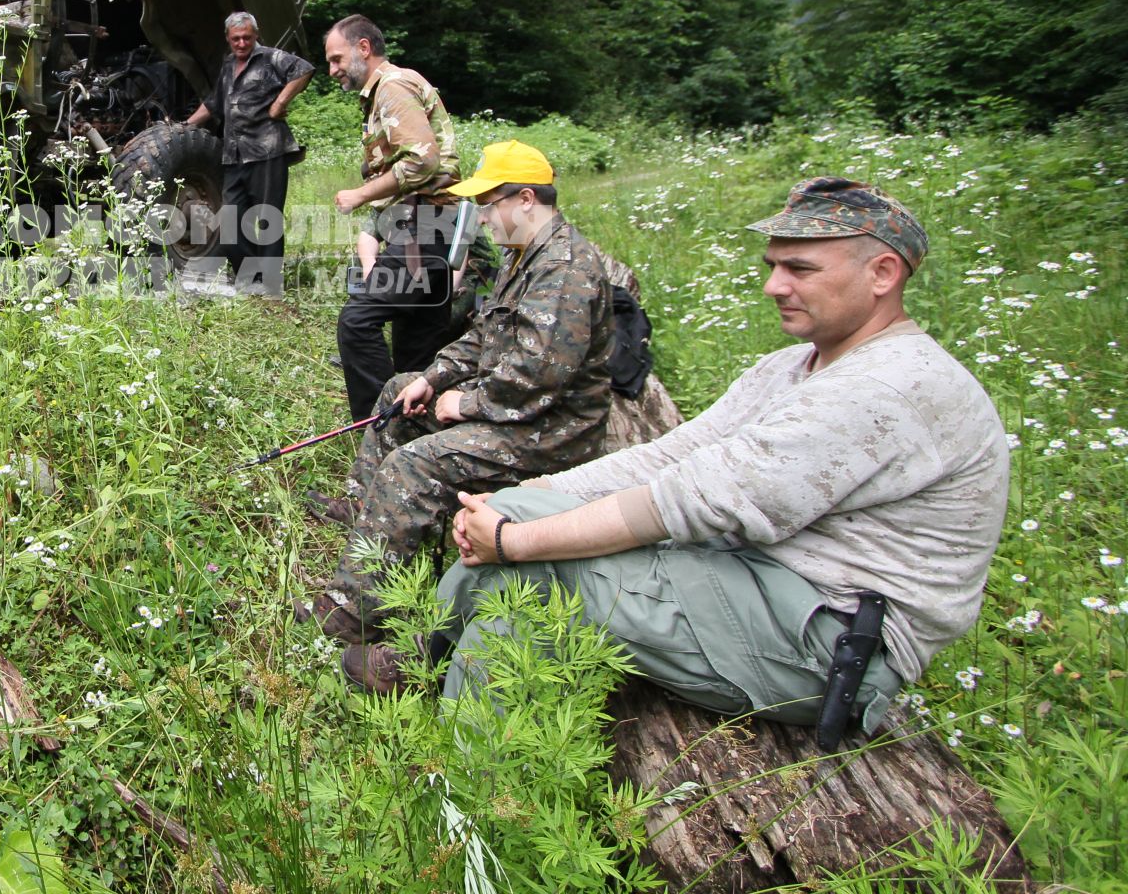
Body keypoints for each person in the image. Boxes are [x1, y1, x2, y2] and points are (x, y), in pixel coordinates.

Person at [345, 178, 1008, 748]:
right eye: (773, 264)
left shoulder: (887, 385)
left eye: (800, 268)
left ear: (883, 274)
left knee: (530, 574)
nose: (775, 285)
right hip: (764, 579)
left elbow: (695, 499)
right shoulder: (797, 364)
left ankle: (468, 787)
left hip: (828, 637)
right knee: (516, 521)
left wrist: (514, 538)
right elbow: (677, 452)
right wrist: (533, 496)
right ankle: (427, 666)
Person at [300, 141, 615, 644]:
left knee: (414, 464)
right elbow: (483, 337)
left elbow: (538, 379)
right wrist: (434, 378)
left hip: (550, 431)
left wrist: (464, 403)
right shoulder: (525, 255)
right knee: (399, 389)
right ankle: (367, 510)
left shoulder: (565, 271)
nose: (483, 219)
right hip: (514, 408)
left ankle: (353, 612)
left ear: (526, 199)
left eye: (489, 205)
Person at [323, 15, 462, 420]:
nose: (332, 70)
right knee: (415, 346)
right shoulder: (387, 90)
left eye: (336, 59)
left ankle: (378, 423)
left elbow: (423, 159)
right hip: (432, 226)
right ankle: (413, 438)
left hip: (426, 225)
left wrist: (361, 194)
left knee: (357, 321)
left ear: (363, 48)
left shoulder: (393, 86)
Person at [183, 11, 313, 294]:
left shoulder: (270, 57)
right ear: (228, 39)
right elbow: (214, 103)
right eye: (236, 39)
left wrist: (280, 103)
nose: (241, 43)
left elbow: (304, 69)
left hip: (267, 151)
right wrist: (186, 126)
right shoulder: (229, 64)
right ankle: (250, 275)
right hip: (234, 155)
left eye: (246, 37)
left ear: (255, 35)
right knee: (229, 224)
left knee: (267, 219)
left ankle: (269, 284)